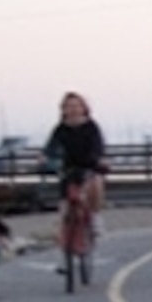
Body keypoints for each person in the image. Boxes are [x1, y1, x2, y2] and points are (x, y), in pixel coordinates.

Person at [45, 92, 108, 233]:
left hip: (89, 165)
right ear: (64, 109)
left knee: (96, 184)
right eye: (69, 106)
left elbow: (98, 145)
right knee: (64, 198)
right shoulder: (60, 129)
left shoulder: (91, 126)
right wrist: (45, 156)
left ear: (83, 108)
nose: (73, 109)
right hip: (69, 166)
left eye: (76, 106)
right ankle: (62, 228)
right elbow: (52, 146)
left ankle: (95, 217)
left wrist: (98, 158)